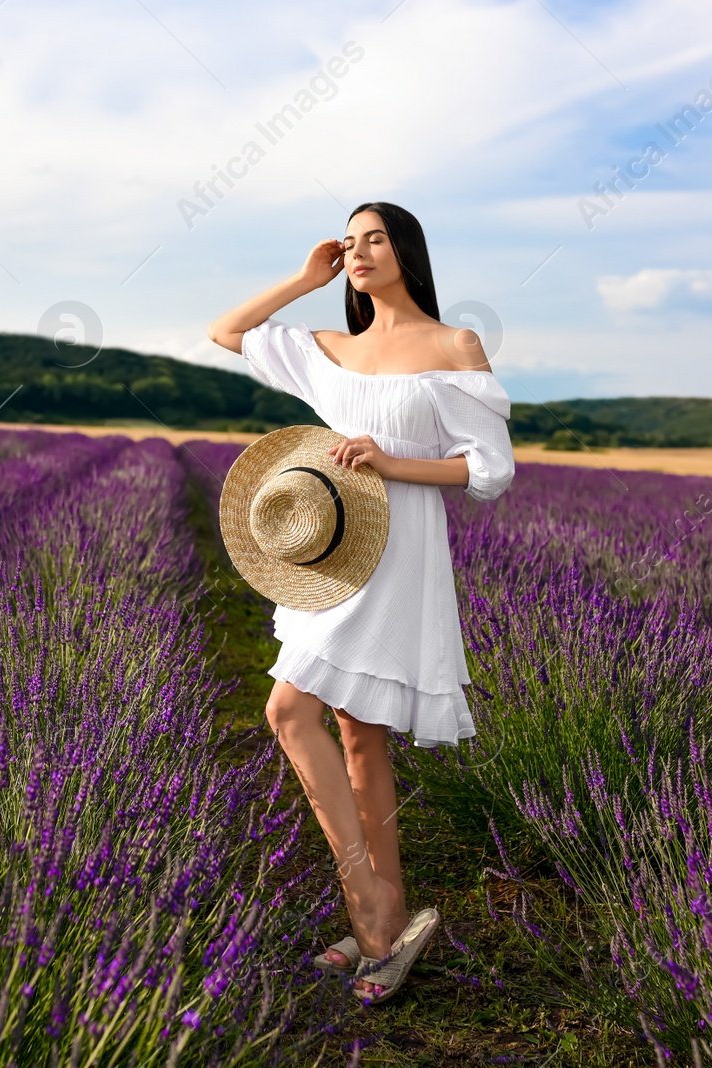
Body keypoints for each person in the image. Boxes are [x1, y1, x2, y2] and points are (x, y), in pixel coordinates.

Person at [205, 202, 516, 1003]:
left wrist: (391, 461)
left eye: (373, 238)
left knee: (296, 715)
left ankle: (371, 910)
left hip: (400, 549)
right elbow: (227, 330)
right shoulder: (328, 350)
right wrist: (306, 280)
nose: (359, 251)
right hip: (335, 551)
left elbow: (488, 472)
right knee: (345, 730)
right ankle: (389, 914)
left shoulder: (454, 346)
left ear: (405, 249)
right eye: (349, 243)